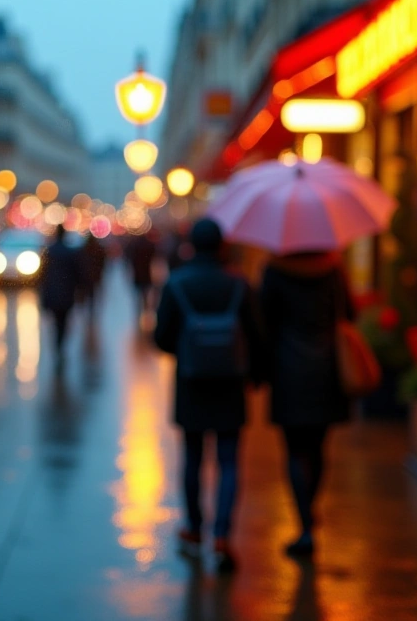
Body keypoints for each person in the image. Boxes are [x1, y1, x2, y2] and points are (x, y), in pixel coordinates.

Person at [153, 219, 261, 573]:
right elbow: (256, 333)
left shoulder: (177, 283)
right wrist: (254, 374)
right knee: (229, 460)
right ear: (222, 246)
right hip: (230, 382)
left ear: (191, 246)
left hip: (192, 382)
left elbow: (161, 337)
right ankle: (223, 535)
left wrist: (189, 350)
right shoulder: (239, 283)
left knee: (193, 457)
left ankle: (195, 528)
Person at [257, 249, 352, 559]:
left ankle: (305, 526)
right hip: (327, 367)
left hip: (288, 370)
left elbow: (263, 322)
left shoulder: (274, 271)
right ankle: (311, 510)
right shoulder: (333, 270)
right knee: (319, 446)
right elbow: (349, 313)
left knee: (295, 450)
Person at [39, 224, 84, 364]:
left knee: (55, 322)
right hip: (66, 293)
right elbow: (78, 274)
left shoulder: (49, 252)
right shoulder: (70, 252)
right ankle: (60, 346)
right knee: (63, 322)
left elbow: (42, 275)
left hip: (53, 293)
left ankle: (57, 346)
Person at [125, 232, 157, 316]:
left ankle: (139, 310)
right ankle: (146, 310)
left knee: (138, 294)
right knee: (145, 293)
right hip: (146, 274)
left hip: (138, 274)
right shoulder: (149, 245)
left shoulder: (134, 246)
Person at [80, 233, 107, 319]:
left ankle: (87, 311)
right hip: (95, 276)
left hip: (86, 276)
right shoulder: (99, 249)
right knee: (93, 294)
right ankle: (91, 311)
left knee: (88, 293)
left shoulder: (84, 249)